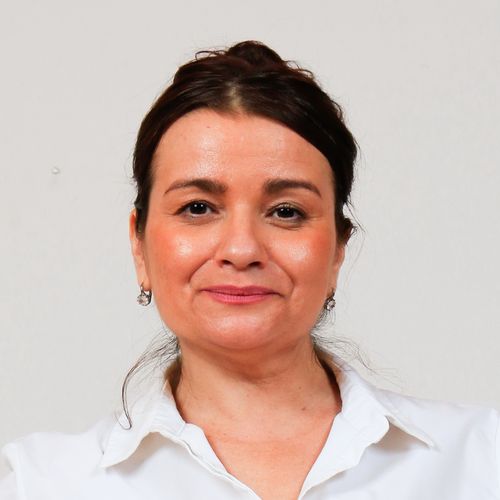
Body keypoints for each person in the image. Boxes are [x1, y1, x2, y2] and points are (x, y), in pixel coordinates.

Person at [1, 40, 499, 500]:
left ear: (338, 248)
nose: (241, 250)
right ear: (139, 243)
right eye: (198, 208)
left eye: (286, 211)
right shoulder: (39, 483)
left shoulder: (482, 459)